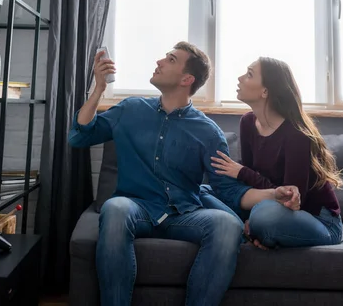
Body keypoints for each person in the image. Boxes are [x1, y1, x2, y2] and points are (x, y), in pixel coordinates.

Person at [69, 43, 300, 306]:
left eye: (170, 59)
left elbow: (227, 190)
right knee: (115, 208)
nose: (159, 61)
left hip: (185, 214)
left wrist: (273, 194)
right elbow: (79, 136)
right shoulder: (130, 109)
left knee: (228, 224)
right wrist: (99, 88)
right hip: (136, 207)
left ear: (186, 79)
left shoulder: (208, 132)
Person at [210, 57, 343, 249]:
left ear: (265, 91)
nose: (240, 78)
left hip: (318, 221)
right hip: (271, 209)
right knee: (204, 192)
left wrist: (241, 172)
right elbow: (249, 185)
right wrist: (244, 178)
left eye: (249, 74)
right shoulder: (247, 123)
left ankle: (255, 229)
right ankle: (254, 230)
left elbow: (289, 199)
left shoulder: (296, 134)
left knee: (265, 215)